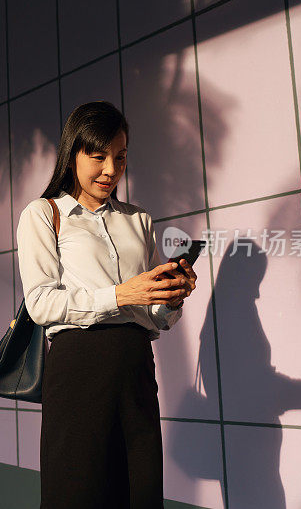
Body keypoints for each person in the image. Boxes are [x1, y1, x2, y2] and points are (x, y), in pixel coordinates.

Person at [15, 101, 198, 508]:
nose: (111, 170)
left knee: (141, 492)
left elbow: (153, 319)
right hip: (78, 365)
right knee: (77, 492)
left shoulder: (138, 220)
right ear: (72, 154)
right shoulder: (43, 215)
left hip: (135, 364)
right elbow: (42, 303)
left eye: (120, 157)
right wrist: (121, 294)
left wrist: (169, 299)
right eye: (97, 156)